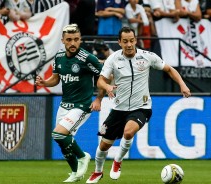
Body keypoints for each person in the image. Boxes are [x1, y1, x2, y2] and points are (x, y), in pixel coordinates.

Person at [86, 26, 191, 183]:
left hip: (141, 107)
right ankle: (98, 172)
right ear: (119, 42)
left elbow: (169, 69)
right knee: (103, 146)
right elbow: (101, 80)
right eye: (125, 41)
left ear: (135, 40)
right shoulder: (113, 59)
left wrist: (182, 84)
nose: (129, 44)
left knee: (128, 133)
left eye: (132, 41)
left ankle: (118, 161)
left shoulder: (147, 56)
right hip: (118, 108)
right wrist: (107, 87)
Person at [35, 24, 104, 183]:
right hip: (64, 105)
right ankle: (74, 172)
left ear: (80, 40)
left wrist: (99, 99)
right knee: (62, 141)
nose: (73, 43)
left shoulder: (88, 58)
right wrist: (45, 83)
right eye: (69, 40)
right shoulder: (59, 57)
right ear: (63, 41)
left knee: (58, 134)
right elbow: (56, 79)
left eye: (76, 39)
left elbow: (104, 77)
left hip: (81, 106)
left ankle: (83, 156)